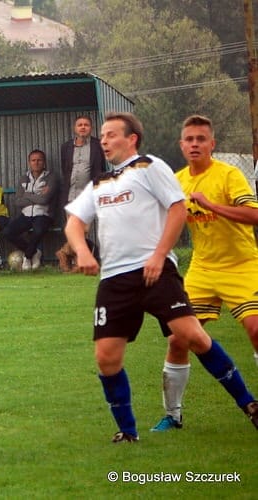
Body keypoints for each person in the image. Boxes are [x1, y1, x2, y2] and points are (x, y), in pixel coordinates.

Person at [64, 111, 258, 443]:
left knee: (191, 336)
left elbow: (177, 208)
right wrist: (82, 251)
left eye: (111, 135)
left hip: (156, 272)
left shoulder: (149, 166)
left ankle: (249, 405)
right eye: (103, 136)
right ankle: (128, 432)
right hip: (114, 280)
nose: (104, 140)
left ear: (132, 139)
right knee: (106, 357)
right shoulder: (99, 183)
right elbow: (73, 223)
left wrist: (157, 256)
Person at [152, 115, 258, 432]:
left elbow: (254, 215)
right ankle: (173, 415)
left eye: (201, 139)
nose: (195, 144)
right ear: (181, 145)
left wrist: (211, 205)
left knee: (255, 330)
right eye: (190, 139)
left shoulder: (229, 175)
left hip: (242, 265)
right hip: (202, 268)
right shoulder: (177, 181)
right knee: (178, 338)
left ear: (212, 144)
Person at [56, 115, 105, 272]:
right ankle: (78, 263)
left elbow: (100, 168)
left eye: (86, 125)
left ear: (91, 128)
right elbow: (65, 169)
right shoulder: (66, 147)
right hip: (69, 194)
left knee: (83, 230)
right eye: (80, 125)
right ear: (75, 128)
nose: (83, 127)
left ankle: (63, 253)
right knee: (73, 230)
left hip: (88, 194)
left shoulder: (98, 145)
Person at [1, 149, 59, 271]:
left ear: (44, 162)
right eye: (33, 160)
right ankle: (34, 252)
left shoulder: (51, 177)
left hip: (44, 214)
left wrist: (27, 195)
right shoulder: (24, 178)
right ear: (29, 162)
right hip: (26, 215)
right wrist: (37, 196)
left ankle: (27, 257)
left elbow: (45, 200)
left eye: (39, 160)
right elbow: (17, 201)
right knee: (8, 232)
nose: (36, 163)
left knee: (38, 230)